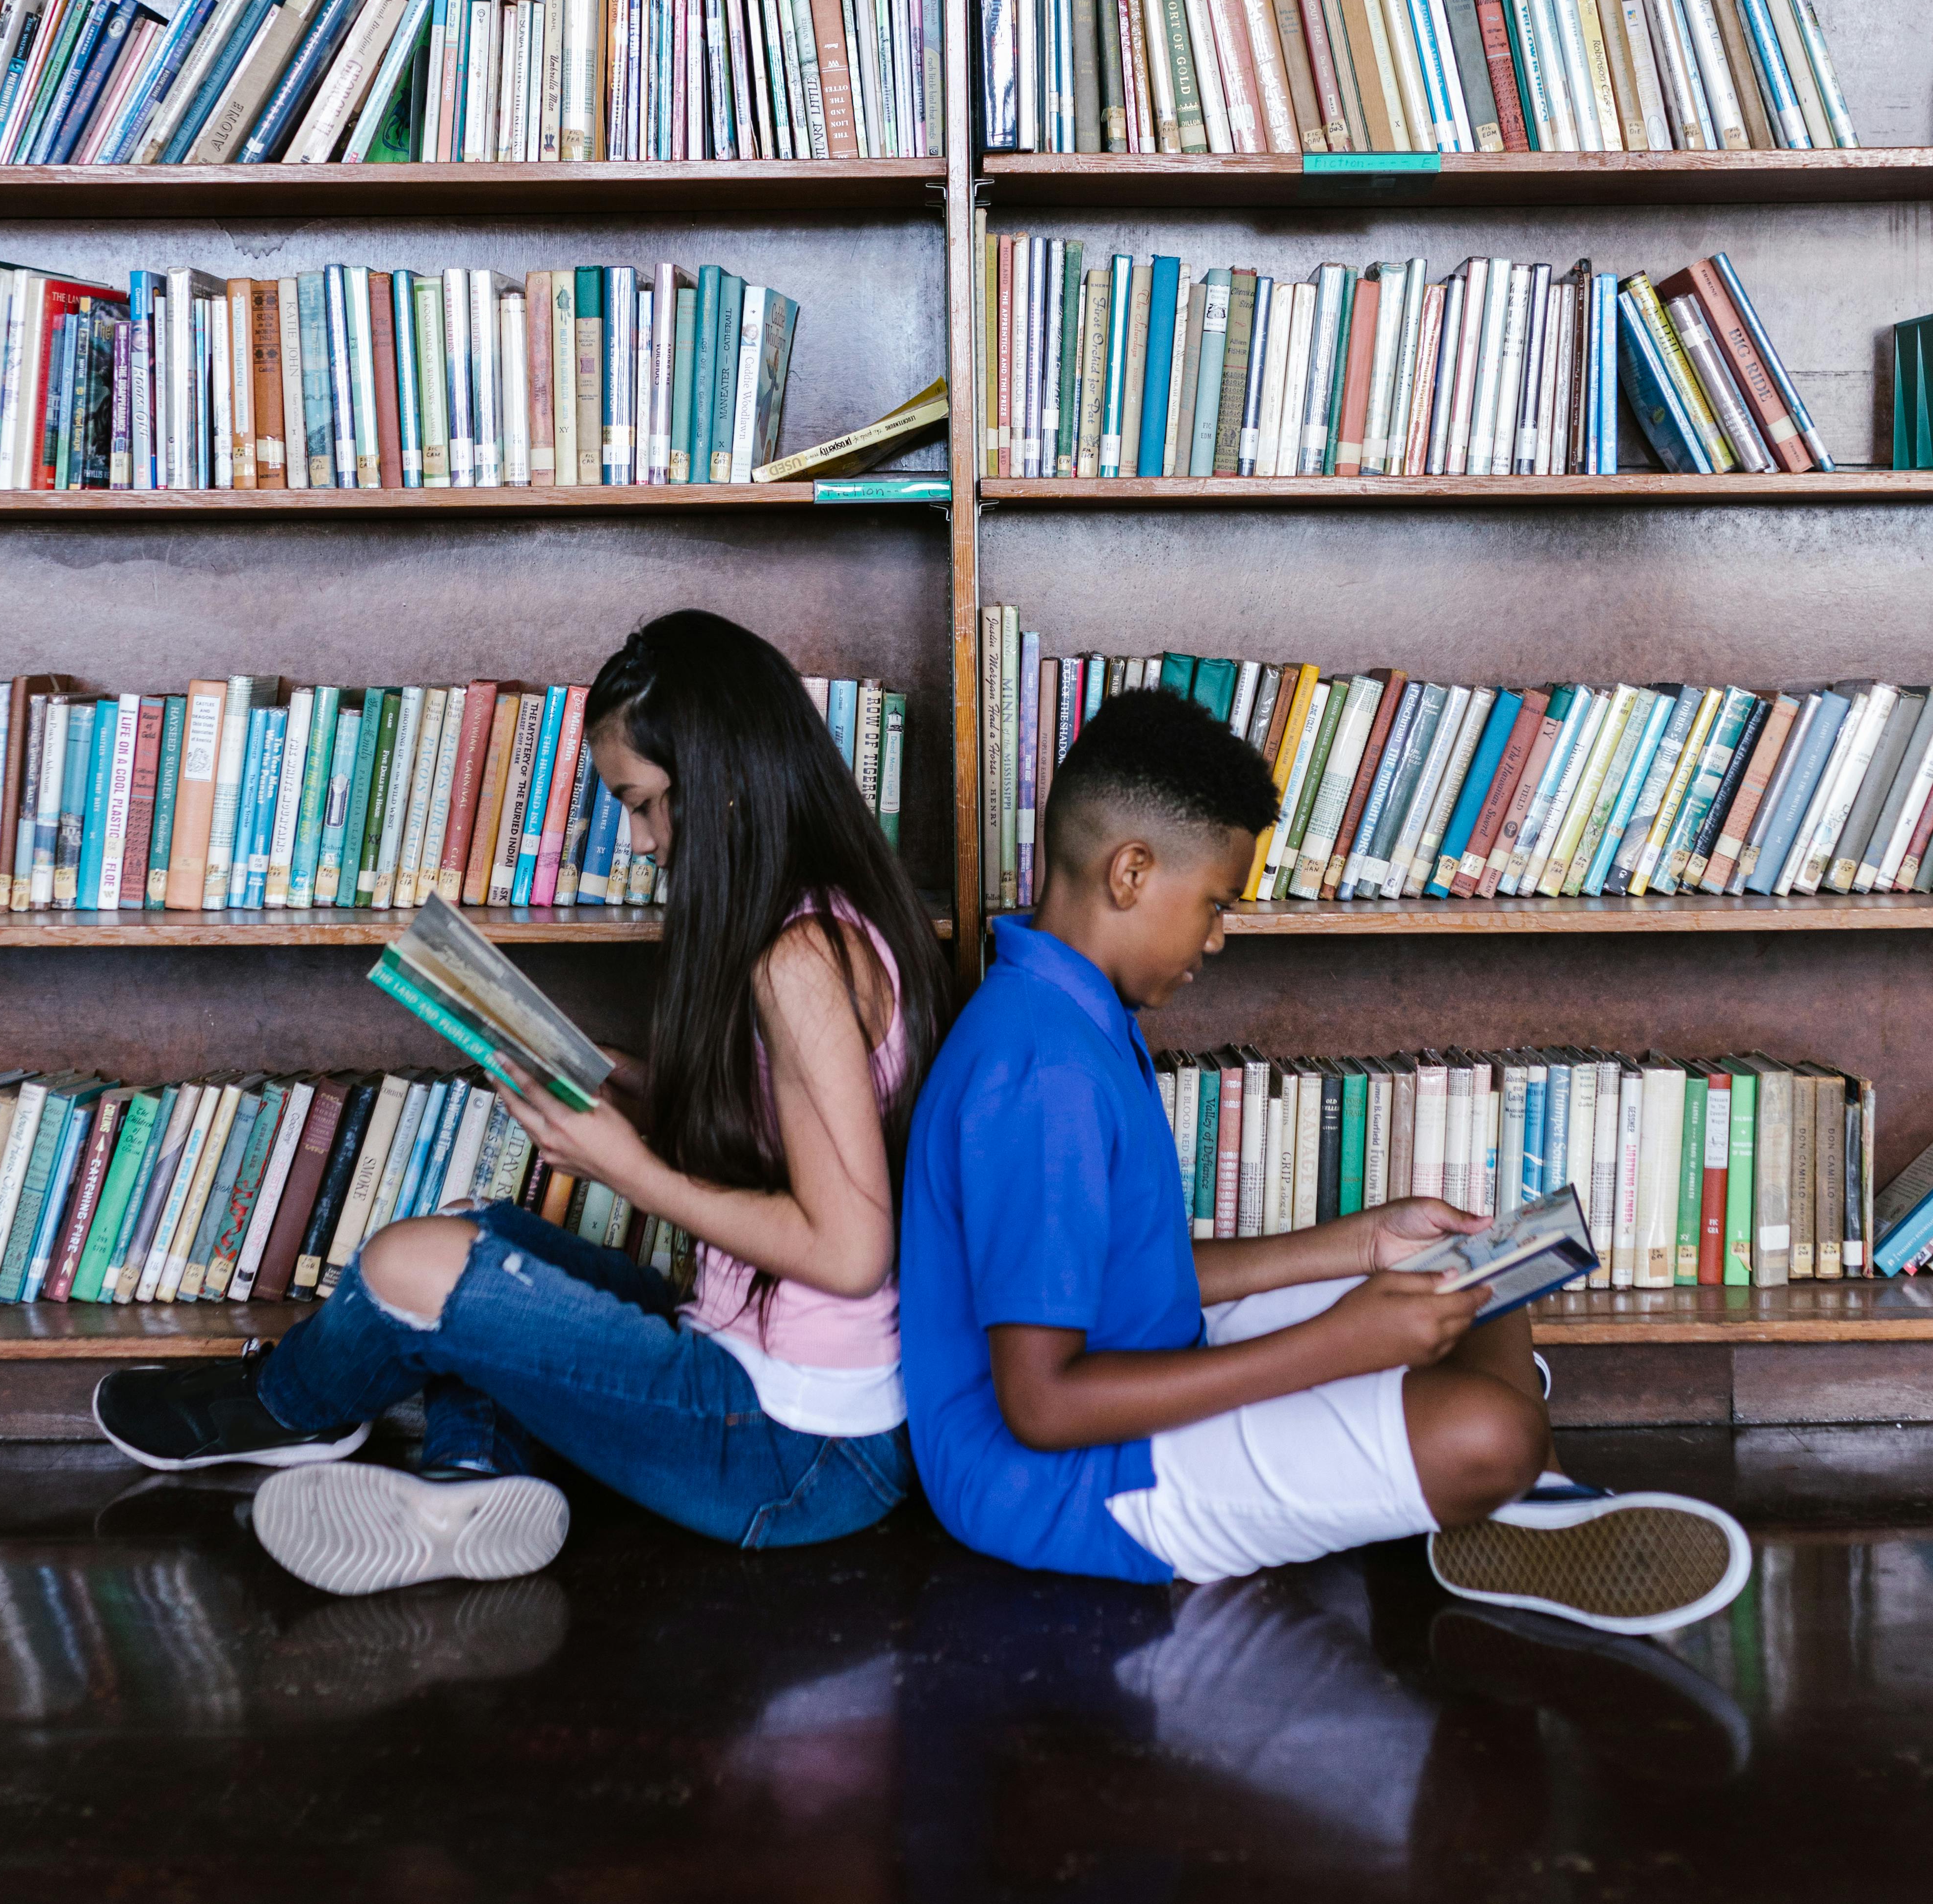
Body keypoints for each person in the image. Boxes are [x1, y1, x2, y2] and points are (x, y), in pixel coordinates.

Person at [94, 612, 950, 1598]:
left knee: (409, 1267)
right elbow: (800, 1119)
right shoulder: (837, 915)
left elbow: (851, 1251)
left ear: (720, 782)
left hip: (790, 1449)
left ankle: (294, 1407)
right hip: (802, 1404)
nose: (639, 840)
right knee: (479, 1231)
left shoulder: (796, 961)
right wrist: (620, 1073)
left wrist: (628, 1168)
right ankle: (467, 1482)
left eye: (644, 804)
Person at [899, 687, 1751, 1637]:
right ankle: (1505, 1486)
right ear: (1131, 872)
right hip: (1057, 1485)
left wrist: (1360, 1246)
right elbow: (1041, 1407)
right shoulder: (1041, 1071)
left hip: (1138, 1365)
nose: (1217, 940)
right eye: (1214, 905)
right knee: (1491, 1431)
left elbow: (1119, 1274)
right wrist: (1339, 1344)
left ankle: (1502, 1500)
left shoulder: (1075, 1013)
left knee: (1480, 1276)